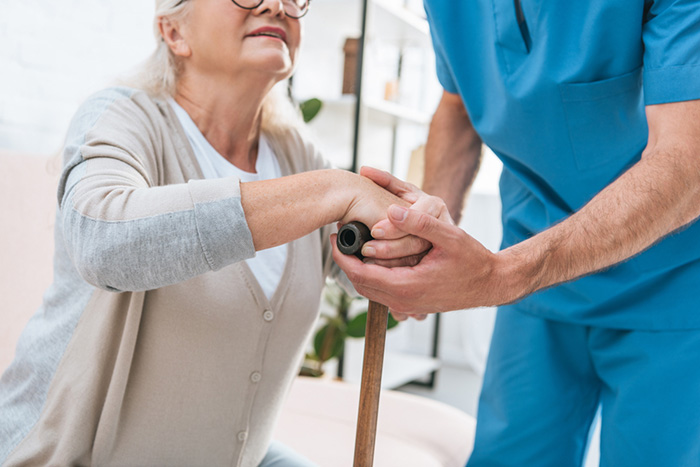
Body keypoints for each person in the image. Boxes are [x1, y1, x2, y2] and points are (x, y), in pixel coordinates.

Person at [0, 0, 432, 465]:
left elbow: (381, 279)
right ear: (174, 33)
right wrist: (330, 190)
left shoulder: (295, 155)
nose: (275, 5)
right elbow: (102, 243)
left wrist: (410, 245)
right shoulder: (121, 118)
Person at [333, 1, 700, 465]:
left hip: (673, 282)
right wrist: (423, 235)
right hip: (536, 277)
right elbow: (458, 105)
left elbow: (687, 164)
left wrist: (499, 276)